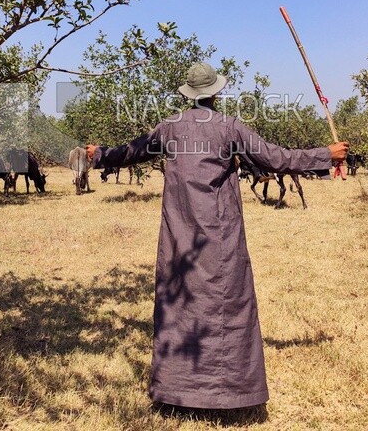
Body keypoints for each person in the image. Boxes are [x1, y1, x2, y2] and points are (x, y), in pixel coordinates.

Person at [86, 62, 349, 410]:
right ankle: (226, 394)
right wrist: (325, 155)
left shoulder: (168, 128)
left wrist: (100, 154)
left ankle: (178, 392)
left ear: (188, 94)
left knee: (180, 301)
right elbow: (276, 159)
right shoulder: (230, 128)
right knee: (227, 303)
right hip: (219, 233)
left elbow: (130, 152)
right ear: (216, 93)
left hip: (179, 233)